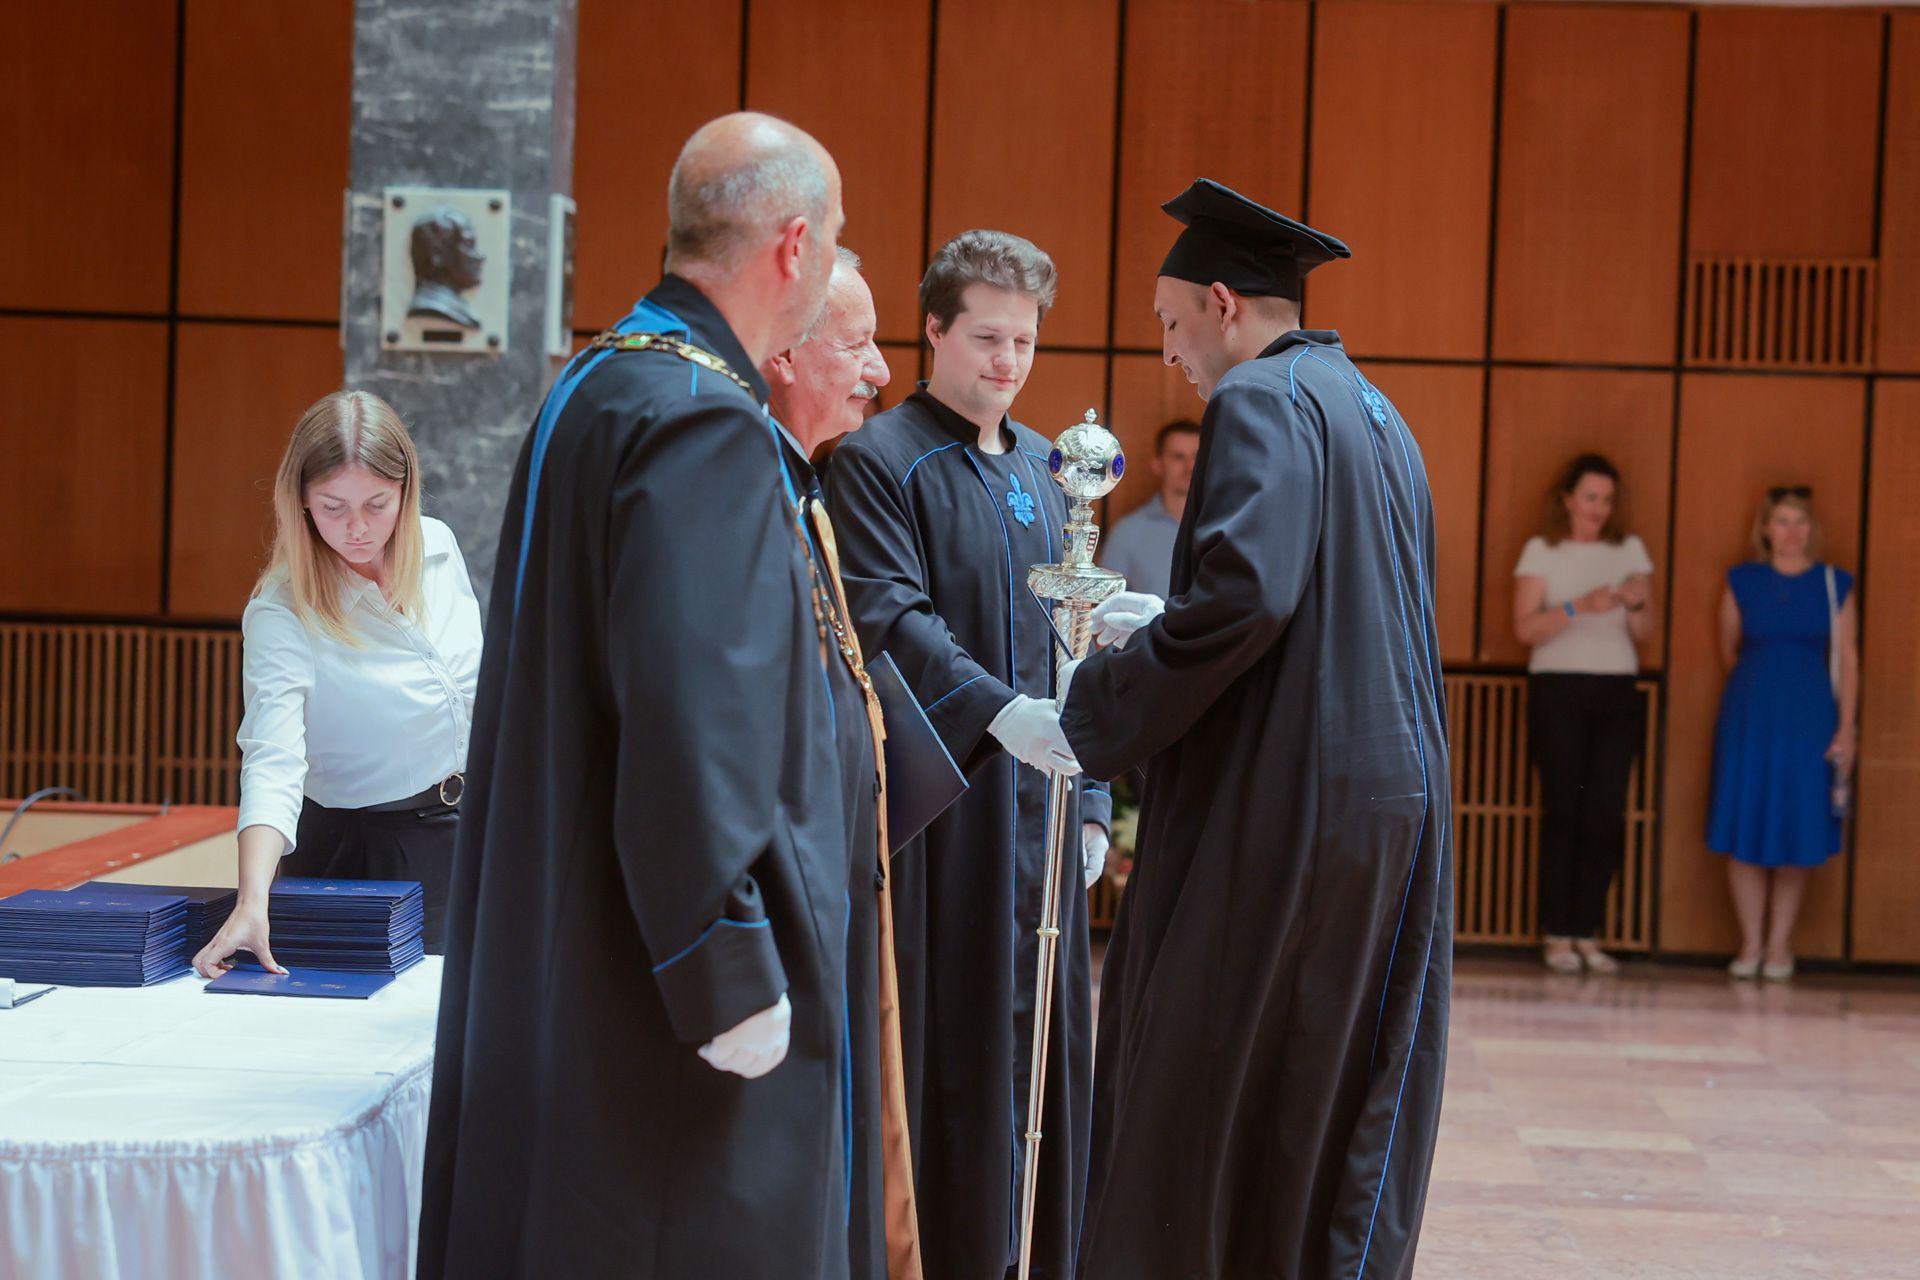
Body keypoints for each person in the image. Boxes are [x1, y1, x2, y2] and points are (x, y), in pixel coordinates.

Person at [417, 113, 860, 1278]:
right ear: (795, 245)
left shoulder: (600, 380)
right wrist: (727, 963)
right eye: (834, 239)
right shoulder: (707, 420)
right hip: (665, 988)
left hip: (580, 930)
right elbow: (692, 709)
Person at [1057, 178, 1451, 1280]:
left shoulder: (1260, 400)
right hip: (1390, 797)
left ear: (1223, 304)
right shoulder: (1375, 408)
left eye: (1171, 324)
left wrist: (1102, 700)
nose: (1169, 354)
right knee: (1317, 1081)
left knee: (1203, 1075)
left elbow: (1250, 595)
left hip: (1290, 799)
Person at [825, 229, 1110, 1280]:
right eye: (987, 336)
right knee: (956, 1052)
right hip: (950, 816)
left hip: (1046, 812)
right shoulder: (878, 461)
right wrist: (1000, 715)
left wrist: (1094, 794)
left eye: (1025, 340)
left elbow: (1075, 643)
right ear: (934, 330)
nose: (1008, 360)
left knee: (1045, 1056)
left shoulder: (1048, 467)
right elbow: (892, 618)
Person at [192, 390, 480, 976]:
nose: (357, 529)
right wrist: (252, 900)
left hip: (466, 829)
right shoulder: (283, 609)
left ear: (406, 489)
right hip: (362, 850)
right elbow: (273, 758)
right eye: (333, 507)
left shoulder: (439, 547)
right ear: (301, 500)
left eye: (377, 504)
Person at [763, 247, 921, 1280]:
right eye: (857, 343)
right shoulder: (746, 490)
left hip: (838, 886)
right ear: (784, 353)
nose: (880, 371)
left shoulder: (803, 488)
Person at [1511, 453, 1656, 974]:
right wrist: (1579, 606)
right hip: (1558, 688)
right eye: (1591, 497)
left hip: (1616, 688)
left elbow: (1646, 633)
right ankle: (1557, 933)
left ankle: (1586, 932)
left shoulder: (1629, 550)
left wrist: (1635, 604)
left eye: (1607, 499)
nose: (1599, 508)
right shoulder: (1541, 550)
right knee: (1563, 809)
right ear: (1568, 498)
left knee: (1605, 813)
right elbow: (1525, 629)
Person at [1708, 486, 1858, 981]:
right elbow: (1728, 648)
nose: (1792, 532)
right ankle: (1750, 943)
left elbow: (1848, 658)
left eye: (1801, 522)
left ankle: (1779, 945)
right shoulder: (1741, 580)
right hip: (1751, 717)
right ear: (1766, 529)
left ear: (1812, 529)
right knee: (1745, 821)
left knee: (1798, 824)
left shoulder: (1835, 583)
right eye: (1782, 521)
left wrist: (1846, 728)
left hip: (1810, 720)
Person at [1097, 418, 1200, 599]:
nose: (1190, 466)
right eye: (1178, 457)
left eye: (1197, 457)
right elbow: (1104, 602)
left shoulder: (1227, 527)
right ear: (1157, 464)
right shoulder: (1127, 532)